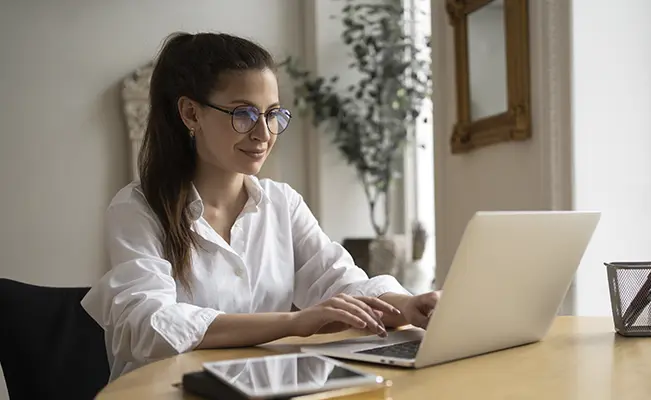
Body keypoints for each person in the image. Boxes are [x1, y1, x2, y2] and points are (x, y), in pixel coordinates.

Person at [81, 31, 440, 381]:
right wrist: (293, 323)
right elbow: (147, 325)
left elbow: (340, 282)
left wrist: (409, 306)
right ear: (191, 114)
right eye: (244, 114)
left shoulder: (282, 203)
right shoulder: (137, 208)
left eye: (272, 114)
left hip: (267, 388)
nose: (264, 133)